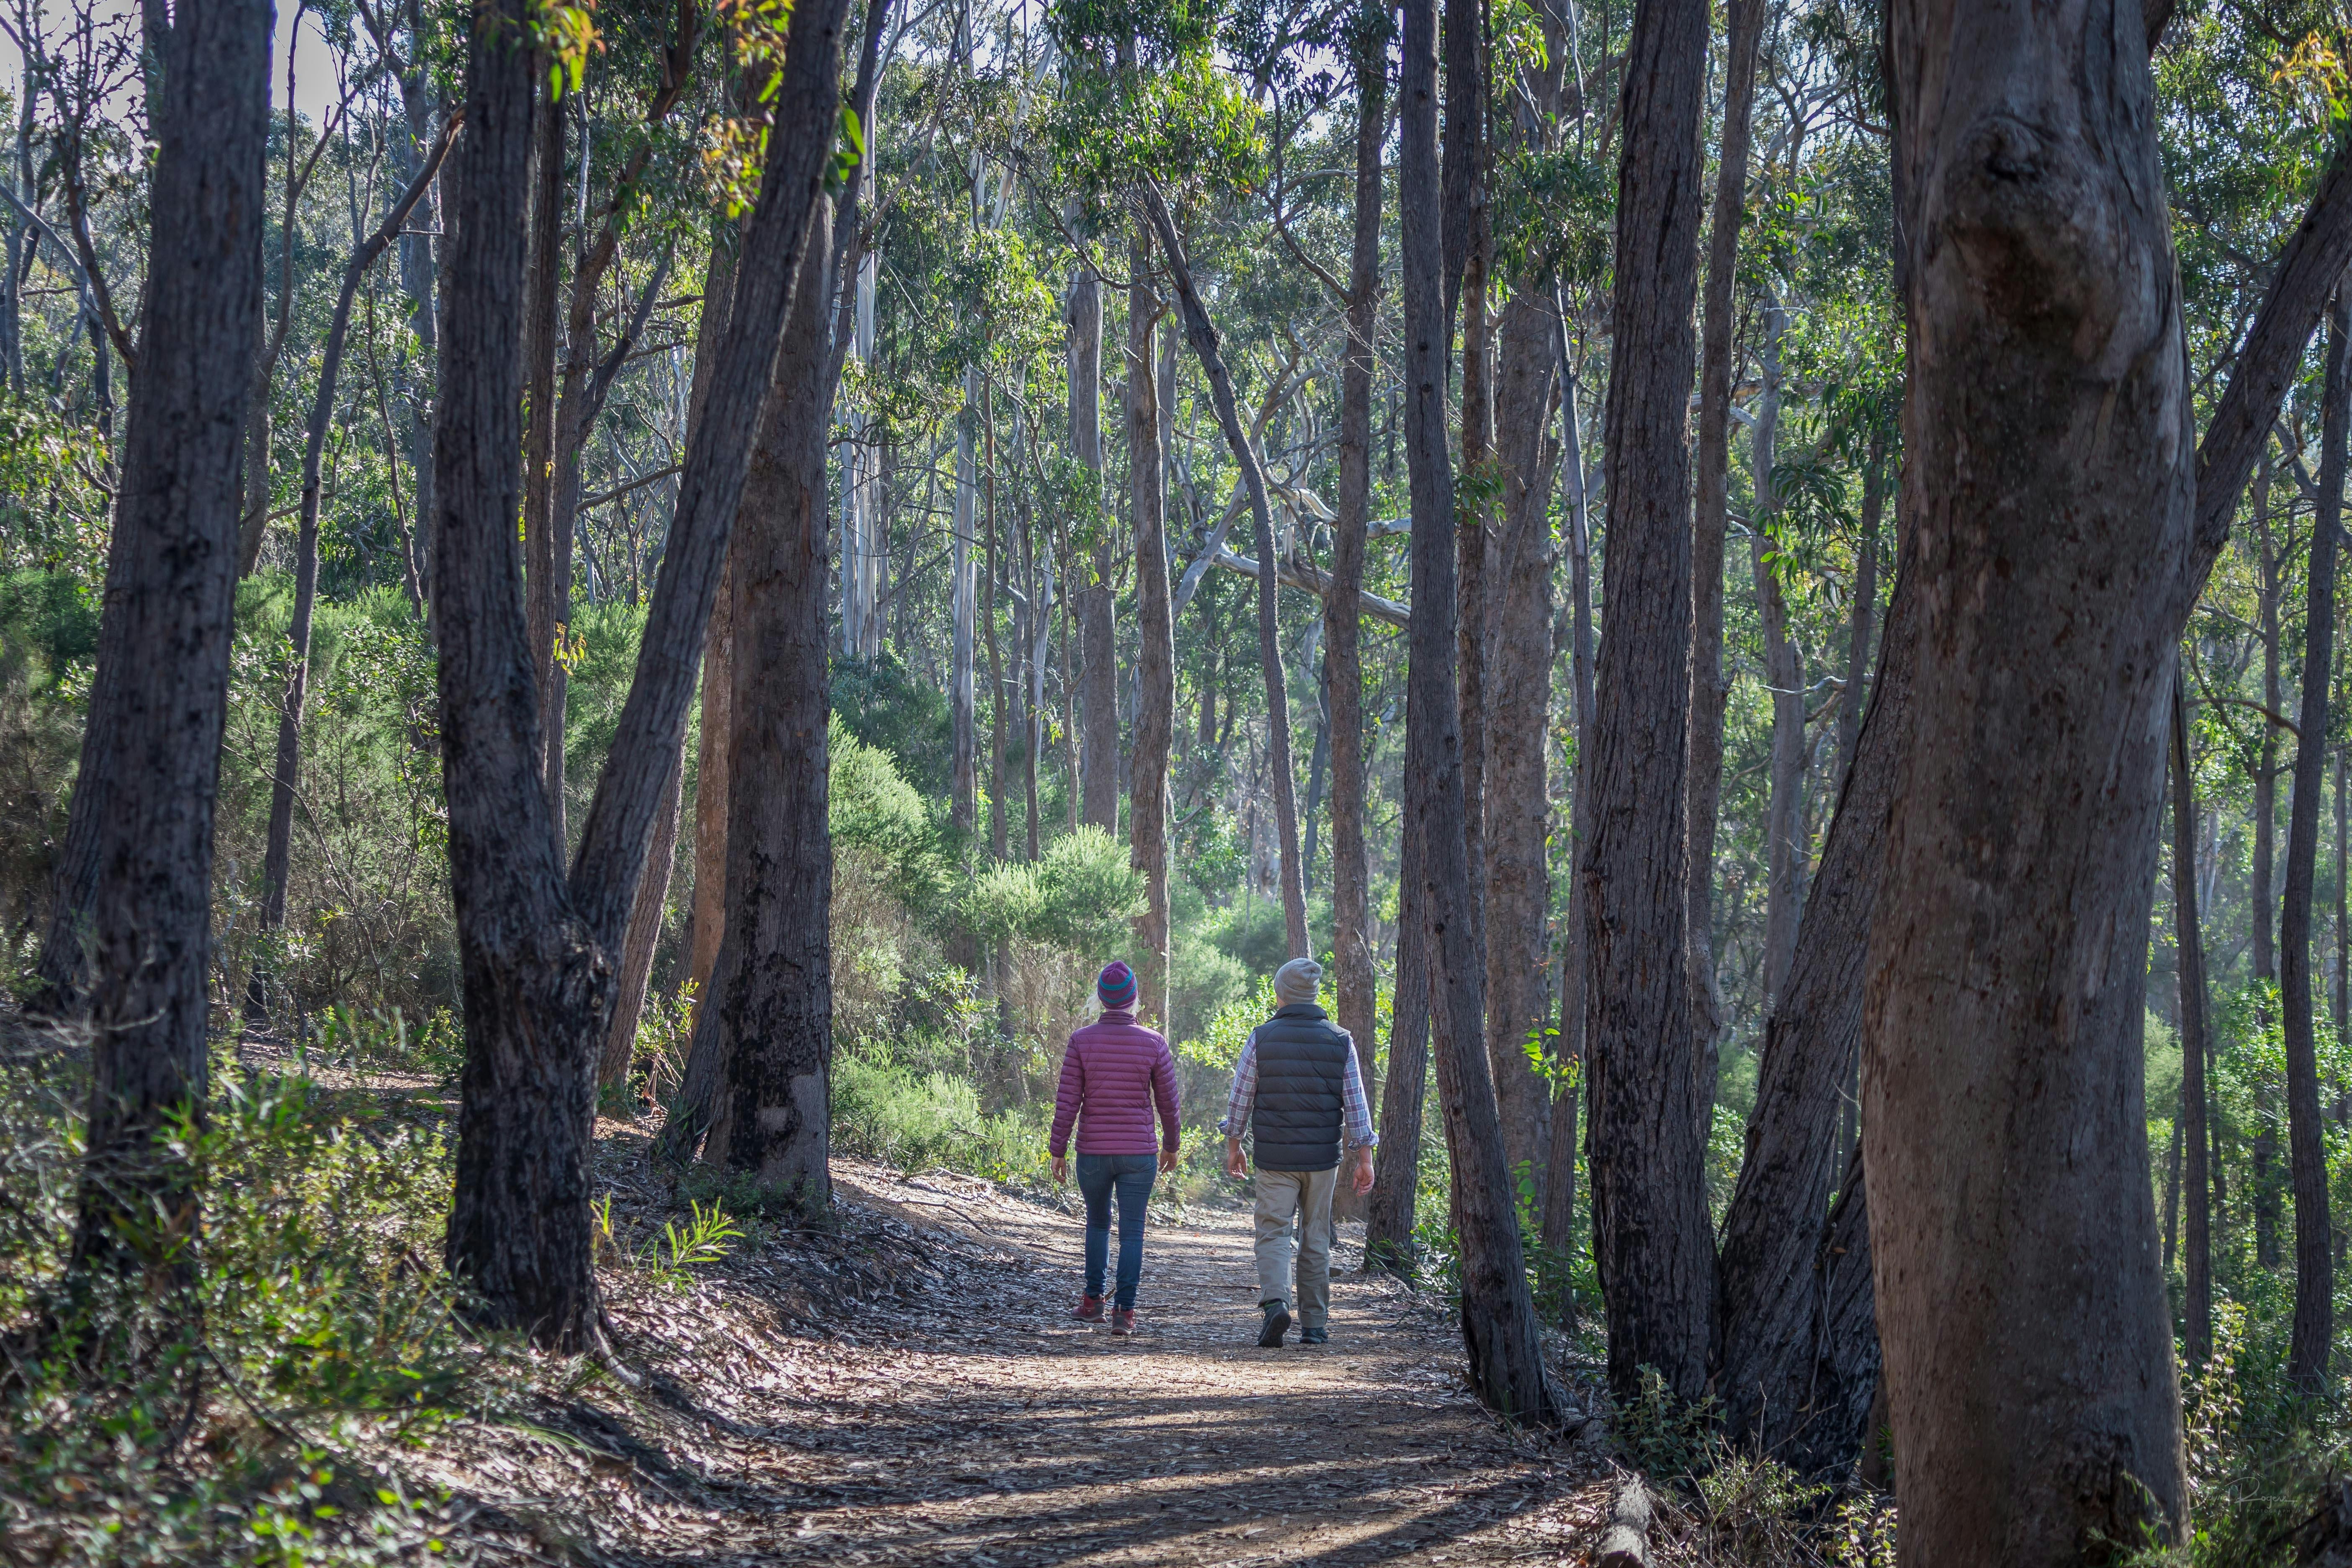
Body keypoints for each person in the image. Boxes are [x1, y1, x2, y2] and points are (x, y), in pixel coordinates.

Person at [1221, 957, 1377, 1348]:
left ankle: (1276, 1303)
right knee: (1316, 1236)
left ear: (1280, 994)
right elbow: (1356, 1103)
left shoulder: (1262, 1037)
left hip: (1275, 1159)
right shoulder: (1340, 1040)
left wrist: (1234, 1144)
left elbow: (1241, 1096)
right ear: (1314, 994)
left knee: (1274, 1230)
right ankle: (1315, 1325)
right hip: (1322, 1160)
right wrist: (1365, 1158)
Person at [1048, 960, 1180, 1335]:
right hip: (1139, 1152)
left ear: (1102, 998)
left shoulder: (1081, 1040)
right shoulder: (1154, 1042)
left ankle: (1093, 1303)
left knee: (1098, 1222)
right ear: (1134, 997)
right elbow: (1169, 1103)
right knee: (1133, 1231)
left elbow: (1068, 1101)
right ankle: (1125, 1312)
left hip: (1093, 1151)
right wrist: (1171, 1144)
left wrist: (1058, 1149)